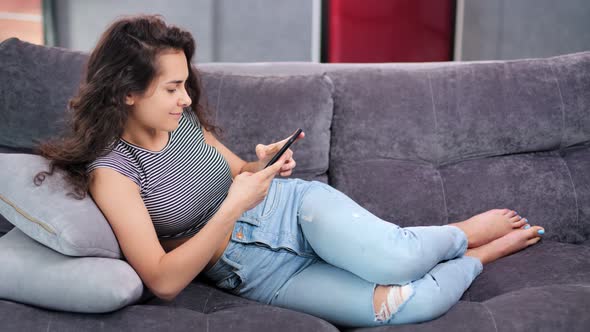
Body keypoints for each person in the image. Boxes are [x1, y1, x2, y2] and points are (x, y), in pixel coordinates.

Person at [34, 14, 545, 328]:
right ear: (126, 91)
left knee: (398, 259)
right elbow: (164, 281)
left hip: (292, 211)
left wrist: (264, 163)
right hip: (251, 270)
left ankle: (458, 234)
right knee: (400, 308)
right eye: (171, 88)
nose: (185, 98)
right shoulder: (113, 172)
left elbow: (236, 173)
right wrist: (234, 204)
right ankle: (481, 255)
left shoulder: (183, 123)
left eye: (184, 84)